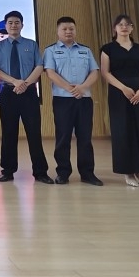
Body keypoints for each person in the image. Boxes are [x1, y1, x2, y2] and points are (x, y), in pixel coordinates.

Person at [0, 11, 53, 185]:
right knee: (8, 133)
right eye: (10, 22)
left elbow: (39, 66)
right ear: (5, 25)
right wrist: (15, 81)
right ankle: (7, 170)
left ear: (22, 25)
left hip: (29, 92)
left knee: (34, 133)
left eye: (17, 22)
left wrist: (25, 83)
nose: (13, 25)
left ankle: (40, 172)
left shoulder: (31, 44)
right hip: (9, 92)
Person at [100, 14, 139, 187]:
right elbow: (105, 73)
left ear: (132, 28)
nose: (124, 27)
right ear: (114, 28)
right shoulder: (108, 49)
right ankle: (128, 172)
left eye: (128, 24)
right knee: (123, 131)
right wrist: (123, 88)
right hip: (119, 94)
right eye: (120, 24)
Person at [43, 16, 101, 186]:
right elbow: (50, 73)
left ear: (75, 30)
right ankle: (63, 173)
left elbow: (94, 72)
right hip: (62, 100)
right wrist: (70, 88)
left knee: (85, 137)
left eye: (71, 29)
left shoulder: (85, 50)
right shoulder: (51, 50)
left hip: (84, 99)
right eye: (64, 29)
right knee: (63, 137)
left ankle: (87, 173)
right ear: (58, 31)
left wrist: (82, 87)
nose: (68, 32)